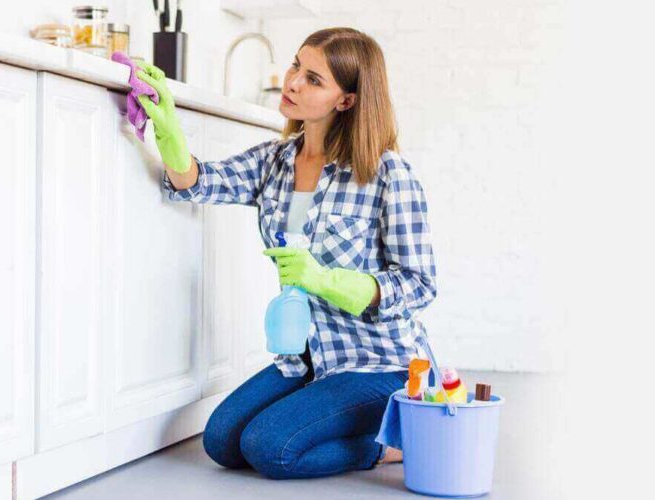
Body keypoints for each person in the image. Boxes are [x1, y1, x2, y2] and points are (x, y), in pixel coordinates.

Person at [136, 27, 436, 480]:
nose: (293, 82)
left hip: (382, 364)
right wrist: (168, 128)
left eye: (314, 79)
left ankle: (395, 443)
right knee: (221, 440)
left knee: (269, 447)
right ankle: (342, 420)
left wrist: (326, 280)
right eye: (297, 66)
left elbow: (420, 283)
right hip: (308, 357)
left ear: (347, 101)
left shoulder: (387, 172)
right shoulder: (276, 161)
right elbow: (200, 181)